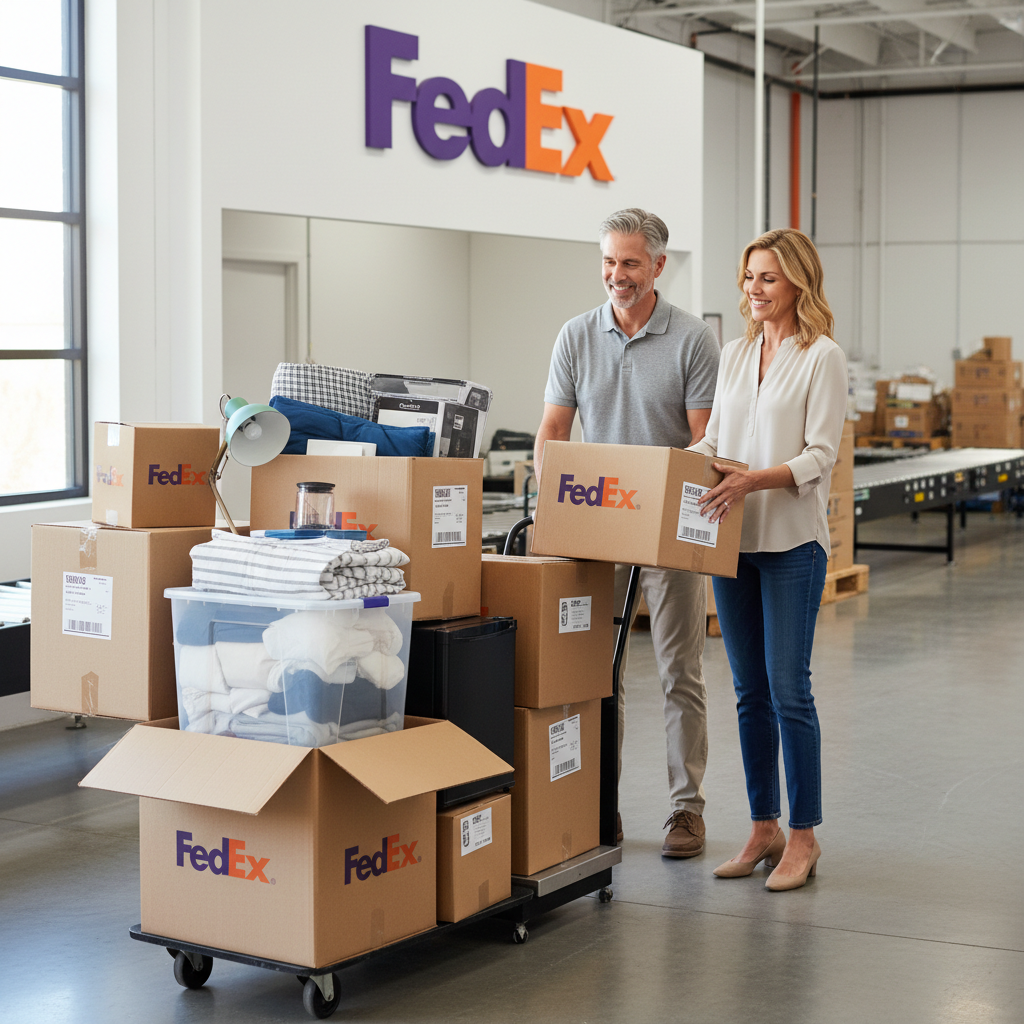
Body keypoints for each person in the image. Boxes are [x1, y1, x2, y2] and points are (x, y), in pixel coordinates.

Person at [535, 208, 721, 858]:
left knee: (680, 670)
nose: (617, 275)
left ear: (659, 266)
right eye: (610, 262)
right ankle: (598, 806)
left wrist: (666, 505)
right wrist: (551, 505)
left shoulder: (693, 339)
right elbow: (554, 429)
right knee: (595, 673)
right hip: (599, 526)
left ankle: (685, 810)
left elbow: (702, 440)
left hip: (670, 531)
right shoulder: (576, 335)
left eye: (631, 263)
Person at [688, 228, 847, 891]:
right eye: (749, 277)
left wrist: (750, 479)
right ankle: (763, 826)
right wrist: (679, 466)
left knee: (790, 692)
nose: (754, 289)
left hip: (791, 547)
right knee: (749, 694)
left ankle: (804, 835)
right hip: (736, 546)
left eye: (769, 279)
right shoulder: (733, 353)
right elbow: (715, 438)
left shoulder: (823, 358)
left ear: (798, 285)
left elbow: (819, 456)